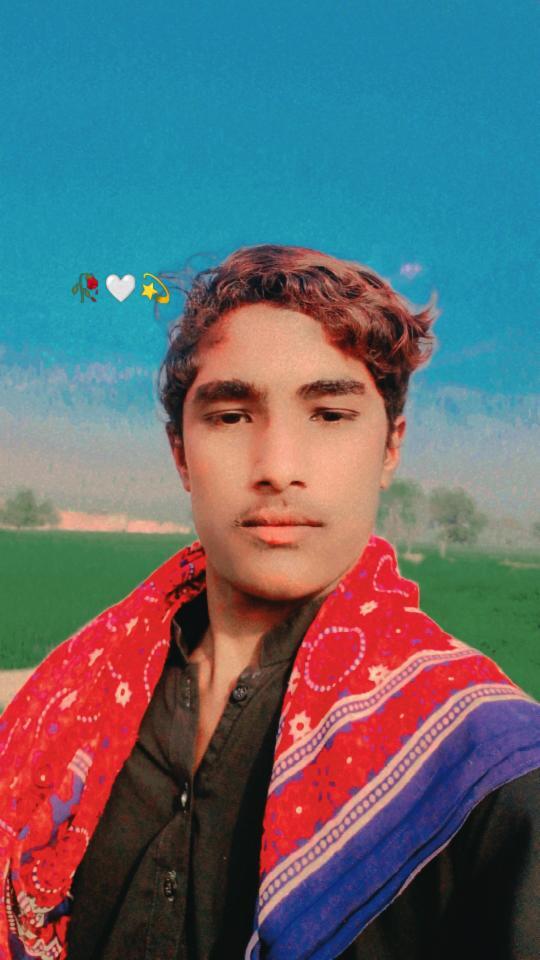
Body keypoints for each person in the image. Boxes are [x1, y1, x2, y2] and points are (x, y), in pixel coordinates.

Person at [0, 244, 539, 960]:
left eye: (330, 414)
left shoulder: (490, 769)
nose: (278, 468)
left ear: (390, 448)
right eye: (231, 416)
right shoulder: (73, 697)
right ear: (180, 453)